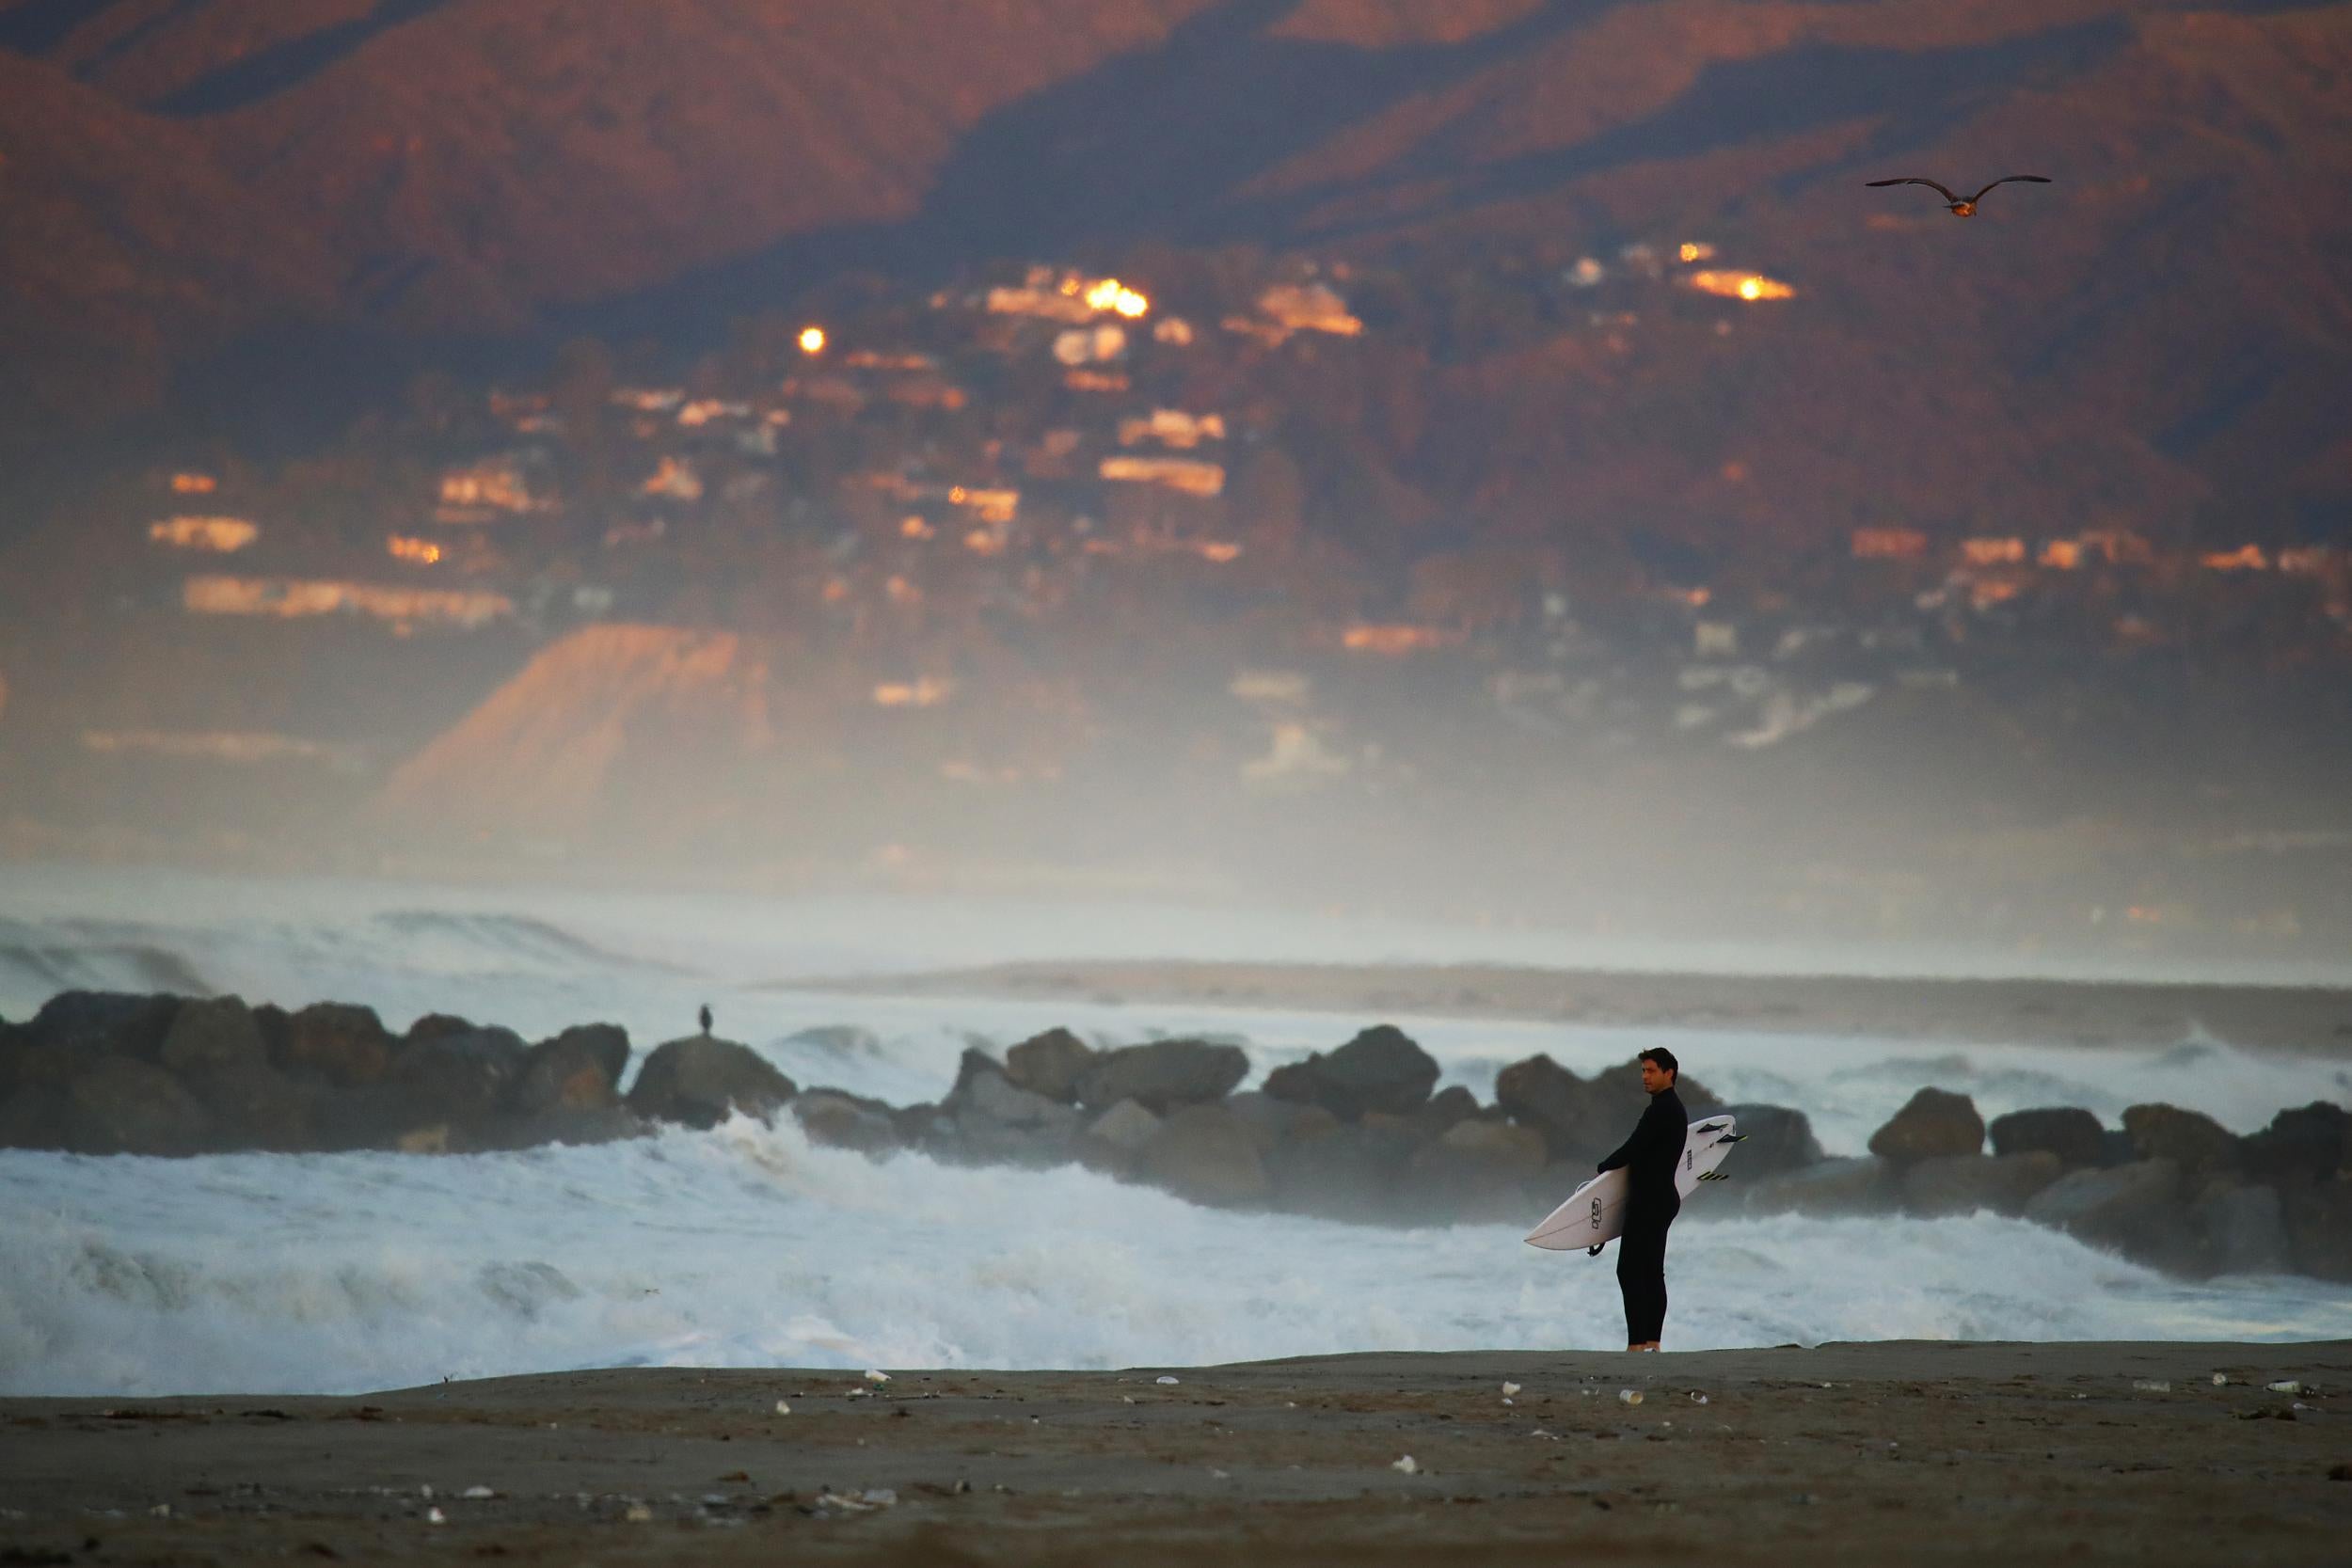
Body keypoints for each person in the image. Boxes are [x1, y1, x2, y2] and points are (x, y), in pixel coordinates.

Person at [1596, 1048, 1685, 1351]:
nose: (1644, 1077)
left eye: (1650, 1071)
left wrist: (1602, 1168)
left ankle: (1636, 1344)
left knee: (1630, 1270)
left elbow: (1633, 1148)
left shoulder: (1660, 1110)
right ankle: (1652, 1342)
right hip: (1663, 1199)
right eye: (1643, 1071)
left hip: (1649, 1202)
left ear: (1668, 1072)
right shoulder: (1674, 1108)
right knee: (1650, 1271)